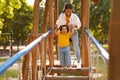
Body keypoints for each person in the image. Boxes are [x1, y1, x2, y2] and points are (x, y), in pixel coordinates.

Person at [55, 3, 81, 68]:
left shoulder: (75, 16)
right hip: (64, 33)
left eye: (70, 11)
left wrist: (74, 26)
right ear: (65, 10)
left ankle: (78, 62)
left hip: (73, 32)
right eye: (67, 11)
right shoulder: (61, 16)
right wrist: (56, 26)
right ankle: (63, 63)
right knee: (62, 45)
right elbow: (57, 23)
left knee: (76, 45)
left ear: (72, 10)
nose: (68, 12)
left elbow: (79, 24)